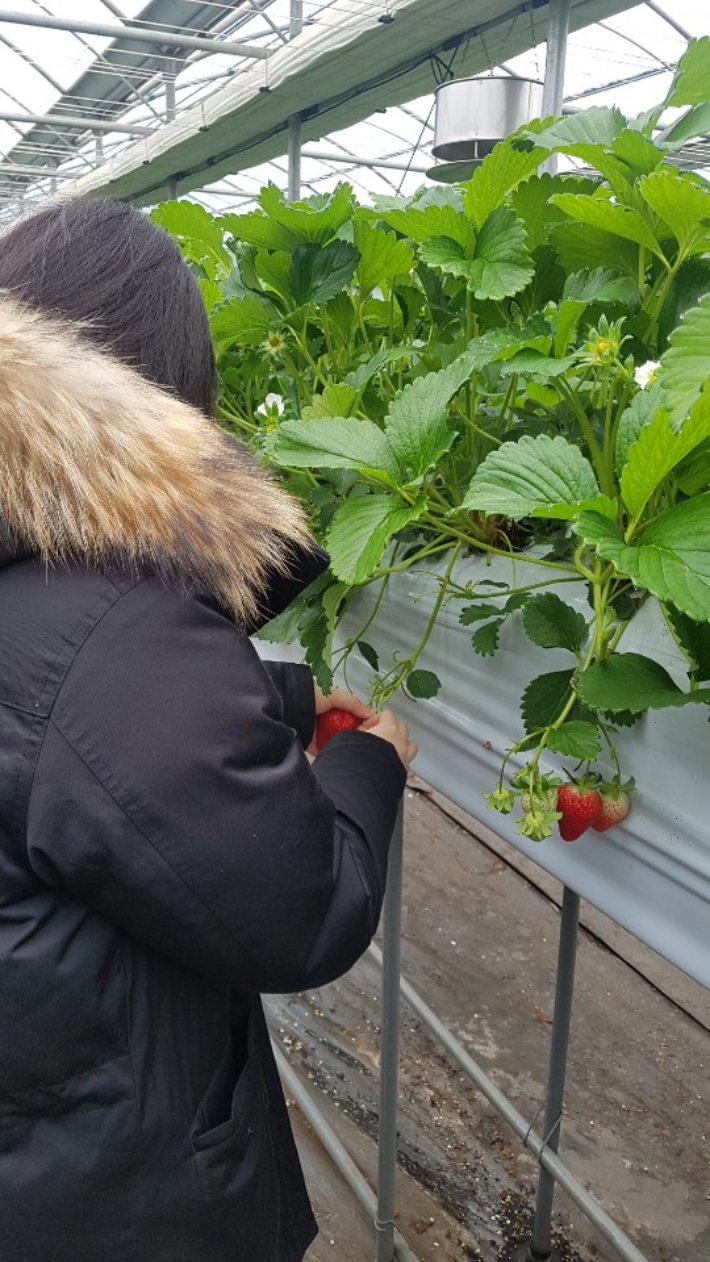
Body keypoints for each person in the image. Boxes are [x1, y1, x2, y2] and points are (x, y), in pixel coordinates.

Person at [0, 197, 416, 1262]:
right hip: (110, 1198)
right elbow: (300, 908)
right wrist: (368, 763)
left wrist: (266, 712)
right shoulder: (108, 611)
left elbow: (59, 747)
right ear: (166, 384)